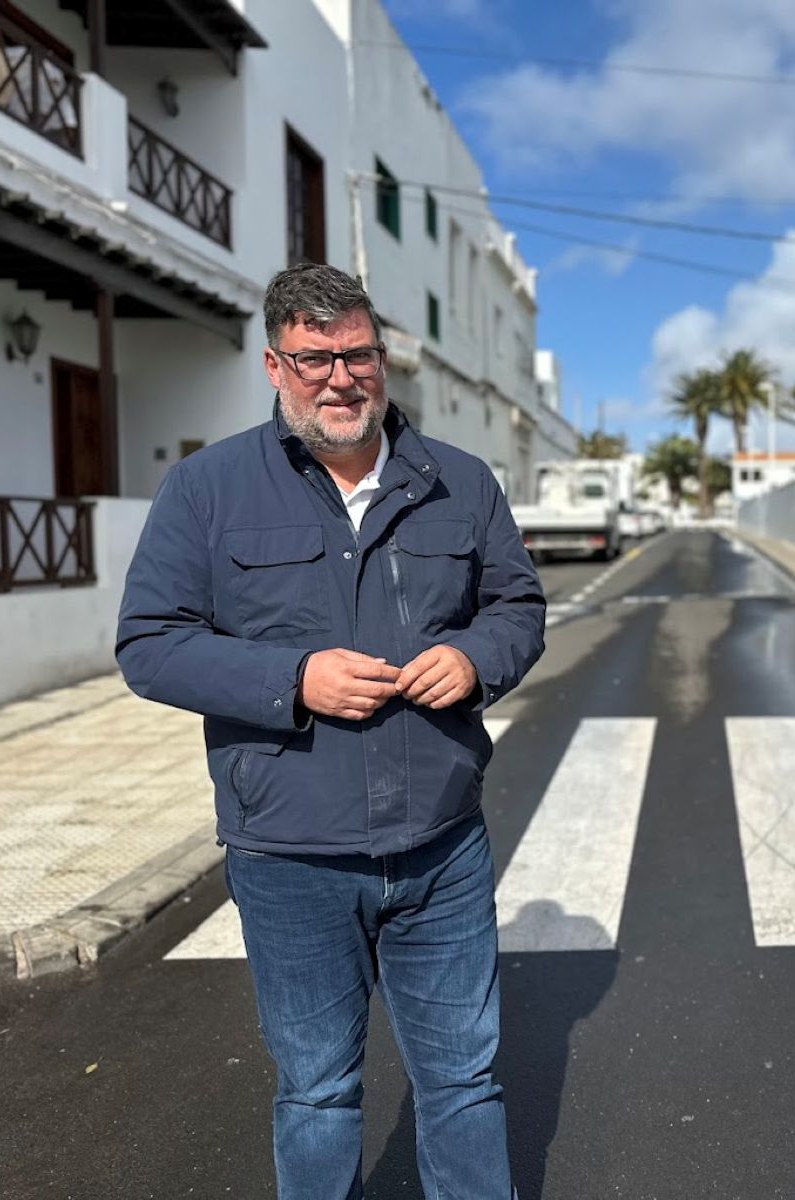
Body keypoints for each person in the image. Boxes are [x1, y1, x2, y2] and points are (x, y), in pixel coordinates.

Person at [117, 263, 544, 1199]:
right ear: (275, 366)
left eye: (357, 354)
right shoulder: (206, 488)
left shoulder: (462, 484)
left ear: (381, 357)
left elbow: (517, 606)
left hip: (440, 846)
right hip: (289, 858)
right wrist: (291, 678)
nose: (339, 378)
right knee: (316, 1091)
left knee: (464, 1084)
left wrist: (477, 657)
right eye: (314, 360)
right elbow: (149, 645)